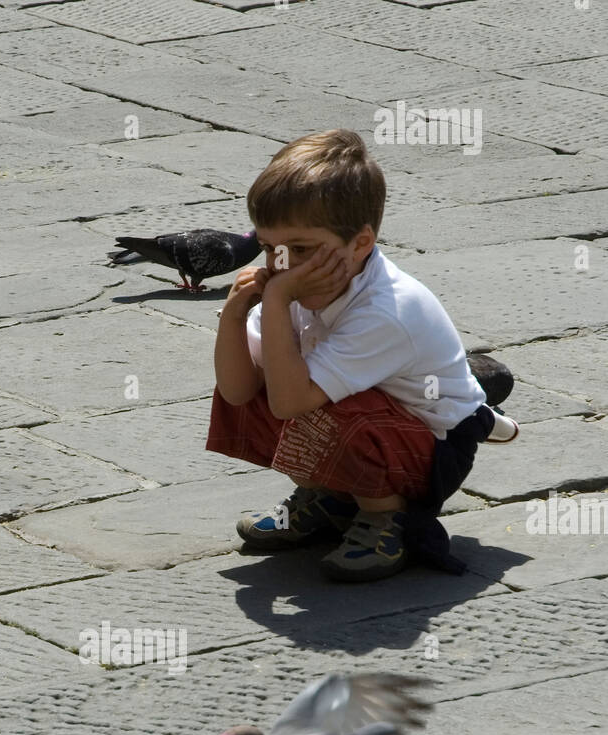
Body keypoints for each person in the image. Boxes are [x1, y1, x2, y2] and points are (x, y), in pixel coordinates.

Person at [209, 129, 510, 581]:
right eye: (270, 249)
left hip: (432, 452)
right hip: (382, 433)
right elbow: (236, 393)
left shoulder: (387, 310)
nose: (281, 265)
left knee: (328, 400)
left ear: (361, 243)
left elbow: (292, 404)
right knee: (263, 374)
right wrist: (233, 318)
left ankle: (386, 517)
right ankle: (325, 495)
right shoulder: (294, 287)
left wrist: (273, 302)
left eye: (301, 249)